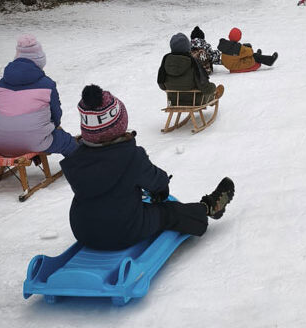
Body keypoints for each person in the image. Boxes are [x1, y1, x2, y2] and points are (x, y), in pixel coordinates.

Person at [60, 84, 235, 251]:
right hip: (124, 231)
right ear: (119, 125)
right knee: (169, 213)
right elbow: (156, 181)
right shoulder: (130, 157)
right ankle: (207, 208)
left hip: (82, 230)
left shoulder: (76, 157)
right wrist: (162, 187)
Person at [0, 34, 77, 158]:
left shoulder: (0, 84)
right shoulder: (47, 85)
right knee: (66, 141)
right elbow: (55, 113)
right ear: (39, 60)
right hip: (35, 141)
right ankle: (81, 163)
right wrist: (53, 127)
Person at [157, 33, 224, 106]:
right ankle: (214, 96)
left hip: (174, 101)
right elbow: (204, 87)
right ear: (187, 47)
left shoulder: (165, 61)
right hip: (194, 101)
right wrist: (213, 87)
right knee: (209, 91)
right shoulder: (193, 62)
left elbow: (161, 84)